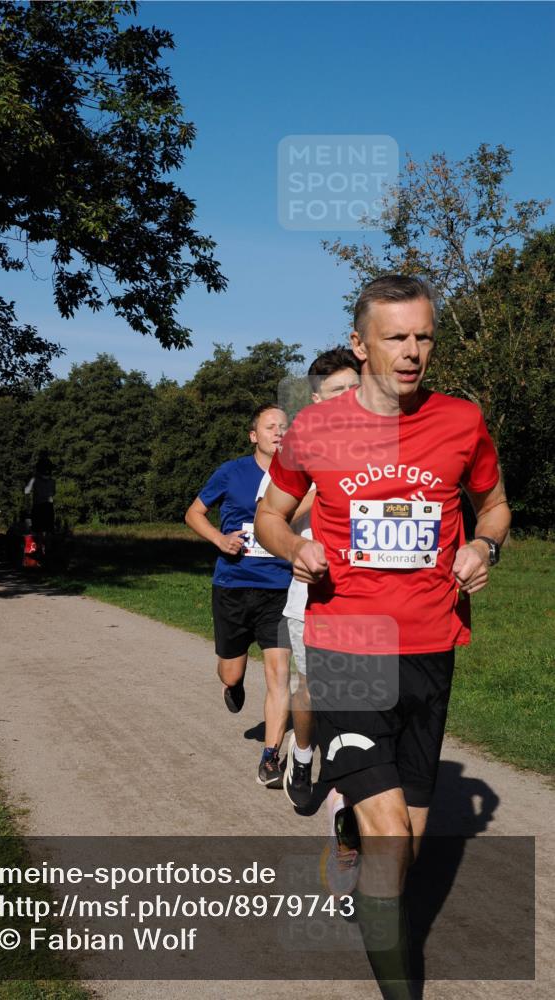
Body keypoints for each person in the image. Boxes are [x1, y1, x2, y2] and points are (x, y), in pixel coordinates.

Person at [255, 275, 511, 998]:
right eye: (395, 338)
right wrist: (291, 549)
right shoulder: (314, 430)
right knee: (392, 836)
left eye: (424, 336)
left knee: (400, 851)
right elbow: (272, 514)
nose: (412, 352)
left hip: (431, 649)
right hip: (346, 644)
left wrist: (485, 549)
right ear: (361, 344)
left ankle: (345, 833)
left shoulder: (463, 421)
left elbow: (493, 505)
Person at [255, 348, 361, 810]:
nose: (351, 399)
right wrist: (318, 489)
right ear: (317, 399)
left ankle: (348, 789)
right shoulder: (298, 452)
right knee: (312, 691)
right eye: (339, 391)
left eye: (357, 389)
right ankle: (301, 754)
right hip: (311, 597)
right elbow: (270, 520)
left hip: (370, 599)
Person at [185, 404, 293, 787]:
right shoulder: (231, 472)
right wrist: (218, 538)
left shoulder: (298, 477)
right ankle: (234, 683)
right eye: (270, 426)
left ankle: (270, 756)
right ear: (254, 435)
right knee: (231, 670)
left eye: (284, 426)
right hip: (233, 584)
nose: (279, 432)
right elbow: (194, 513)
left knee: (280, 673)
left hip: (279, 589)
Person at [24, 456, 55, 563]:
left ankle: (39, 551)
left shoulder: (35, 480)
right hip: (49, 507)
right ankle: (48, 550)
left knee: (37, 530)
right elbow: (53, 492)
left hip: (38, 506)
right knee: (49, 530)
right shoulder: (52, 481)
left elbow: (26, 491)